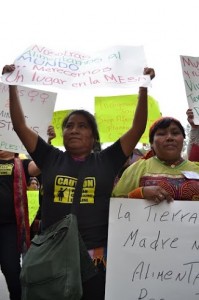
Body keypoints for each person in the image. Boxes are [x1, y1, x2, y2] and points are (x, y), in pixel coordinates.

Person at [2, 64, 155, 300]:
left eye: (82, 126)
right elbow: (20, 126)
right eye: (69, 126)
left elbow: (137, 127)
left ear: (93, 136)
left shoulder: (107, 160)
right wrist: (12, 86)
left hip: (95, 258)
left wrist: (143, 88)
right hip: (53, 257)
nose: (74, 130)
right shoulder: (49, 157)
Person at [113, 116, 199, 202]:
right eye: (161, 134)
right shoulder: (137, 169)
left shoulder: (196, 168)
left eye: (175, 133)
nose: (169, 137)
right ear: (151, 143)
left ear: (183, 139)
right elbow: (114, 204)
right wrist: (139, 193)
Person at [0, 150, 40, 300]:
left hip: (10, 227)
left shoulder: (22, 163)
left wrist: (47, 142)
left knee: (11, 269)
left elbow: (37, 167)